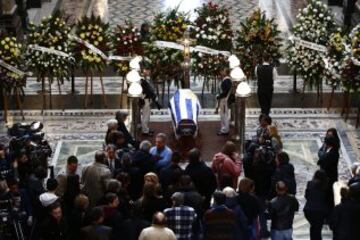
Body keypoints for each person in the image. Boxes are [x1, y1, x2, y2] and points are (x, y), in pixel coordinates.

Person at [303, 170, 330, 240]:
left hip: (309, 210)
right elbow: (328, 199)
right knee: (317, 229)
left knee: (314, 227)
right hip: (320, 211)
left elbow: (306, 196)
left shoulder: (310, 183)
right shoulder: (326, 186)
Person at [317, 135, 339, 209]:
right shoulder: (331, 150)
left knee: (328, 191)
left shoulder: (332, 153)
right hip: (330, 173)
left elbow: (323, 162)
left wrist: (322, 157)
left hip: (329, 175)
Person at [140, 62, 161, 136]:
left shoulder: (146, 79)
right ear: (144, 70)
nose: (149, 72)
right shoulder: (142, 80)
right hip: (145, 100)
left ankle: (146, 129)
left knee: (147, 115)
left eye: (149, 70)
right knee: (145, 116)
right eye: (147, 70)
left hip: (148, 99)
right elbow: (148, 91)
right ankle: (145, 131)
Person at [216, 66, 232, 135]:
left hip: (224, 99)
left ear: (225, 72)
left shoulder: (227, 80)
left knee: (224, 114)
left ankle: (225, 130)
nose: (221, 72)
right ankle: (224, 128)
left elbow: (226, 91)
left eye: (223, 71)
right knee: (223, 114)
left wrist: (219, 96)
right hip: (223, 99)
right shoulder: (225, 79)